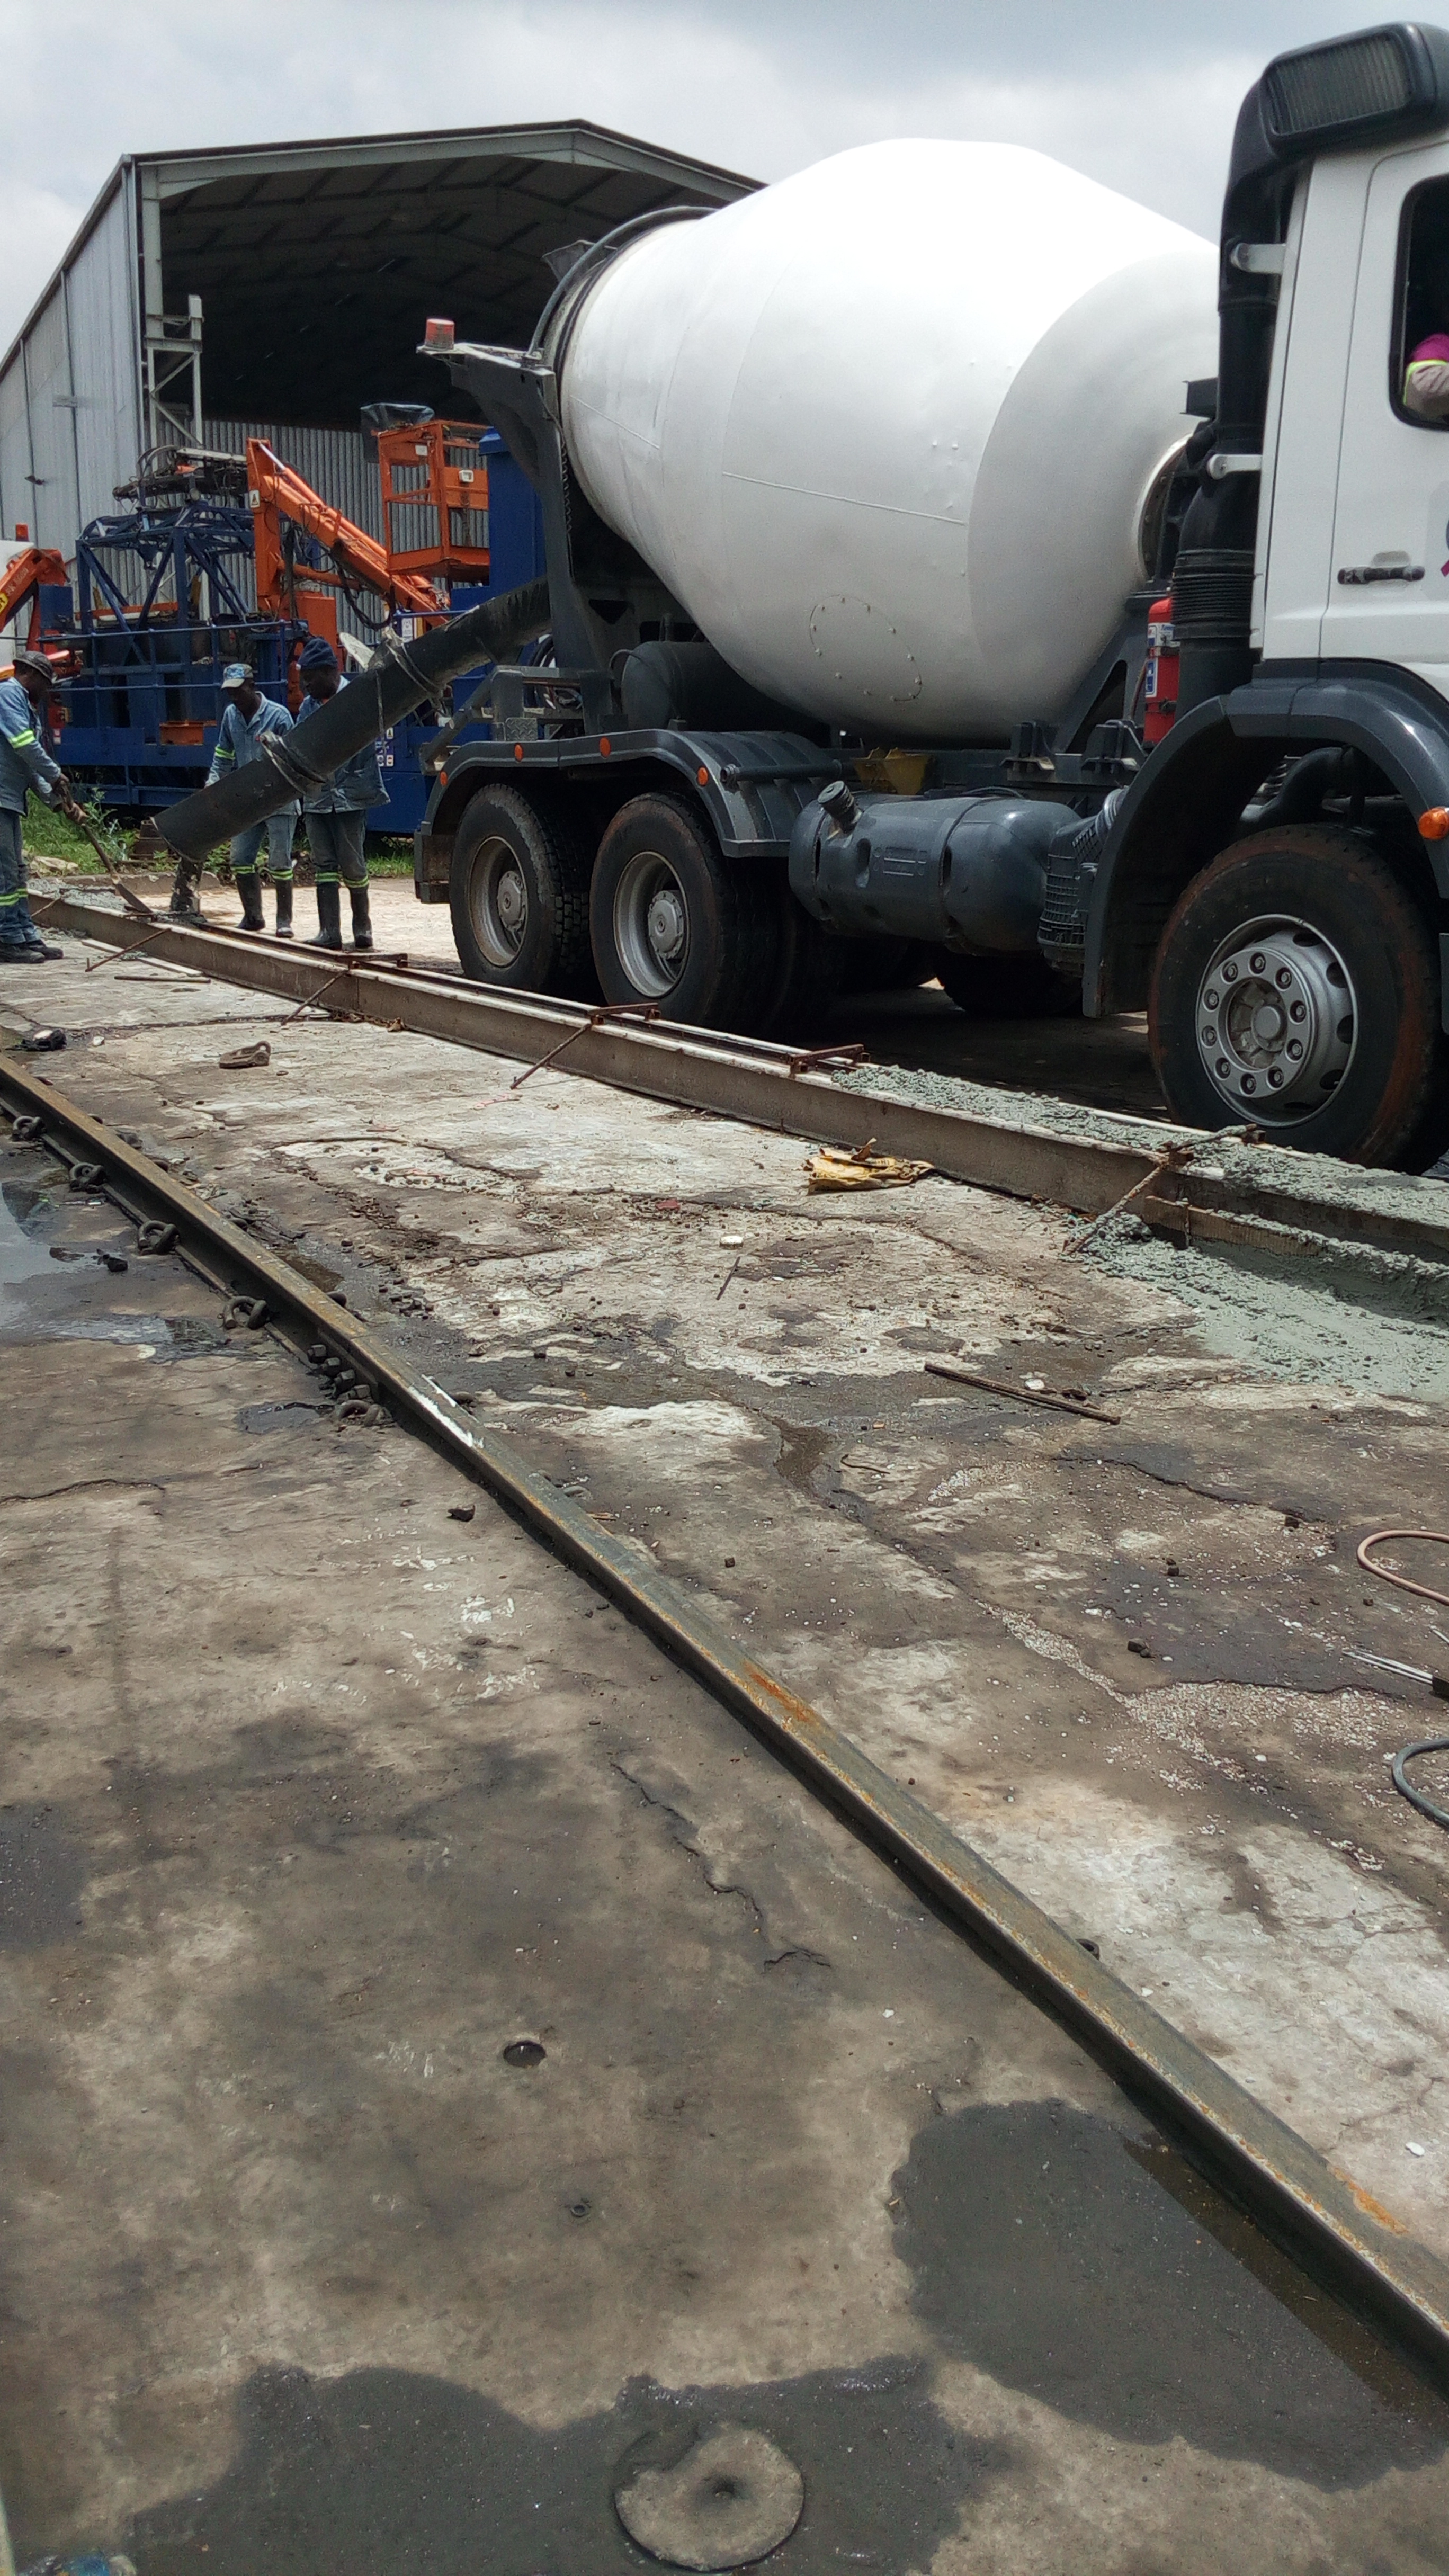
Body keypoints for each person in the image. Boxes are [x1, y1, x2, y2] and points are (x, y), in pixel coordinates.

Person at [294, 636, 381, 951]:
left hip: (349, 796)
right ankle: (329, 931)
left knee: (353, 865)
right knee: (324, 865)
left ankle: (363, 929)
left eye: (310, 678)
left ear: (332, 672)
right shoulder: (308, 706)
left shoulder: (355, 699)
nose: (305, 686)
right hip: (318, 798)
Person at [205, 663, 300, 935]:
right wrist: (213, 783)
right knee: (240, 858)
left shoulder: (278, 716)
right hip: (248, 800)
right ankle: (253, 916)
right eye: (230, 693)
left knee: (279, 861)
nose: (234, 698)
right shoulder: (231, 717)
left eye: (238, 692)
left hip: (279, 799)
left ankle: (284, 921)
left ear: (251, 686)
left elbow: (293, 758)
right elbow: (223, 754)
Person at [0, 648, 71, 964]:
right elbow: (24, 746)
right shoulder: (8, 695)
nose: (48, 692)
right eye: (46, 684)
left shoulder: (25, 706)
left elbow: (28, 767)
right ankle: (6, 938)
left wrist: (58, 801)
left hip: (9, 797)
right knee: (4, 873)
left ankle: (23, 933)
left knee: (16, 871)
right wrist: (55, 775)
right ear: (31, 675)